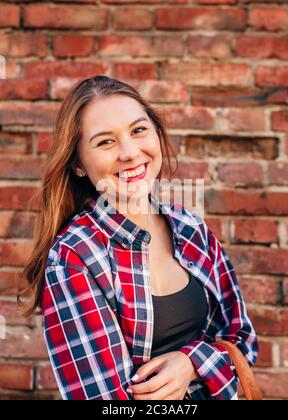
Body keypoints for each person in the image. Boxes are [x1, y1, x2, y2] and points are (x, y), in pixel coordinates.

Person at [18, 75, 258, 400]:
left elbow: (242, 339)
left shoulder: (191, 229)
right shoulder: (75, 256)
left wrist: (192, 362)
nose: (130, 153)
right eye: (106, 142)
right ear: (77, 165)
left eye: (138, 130)